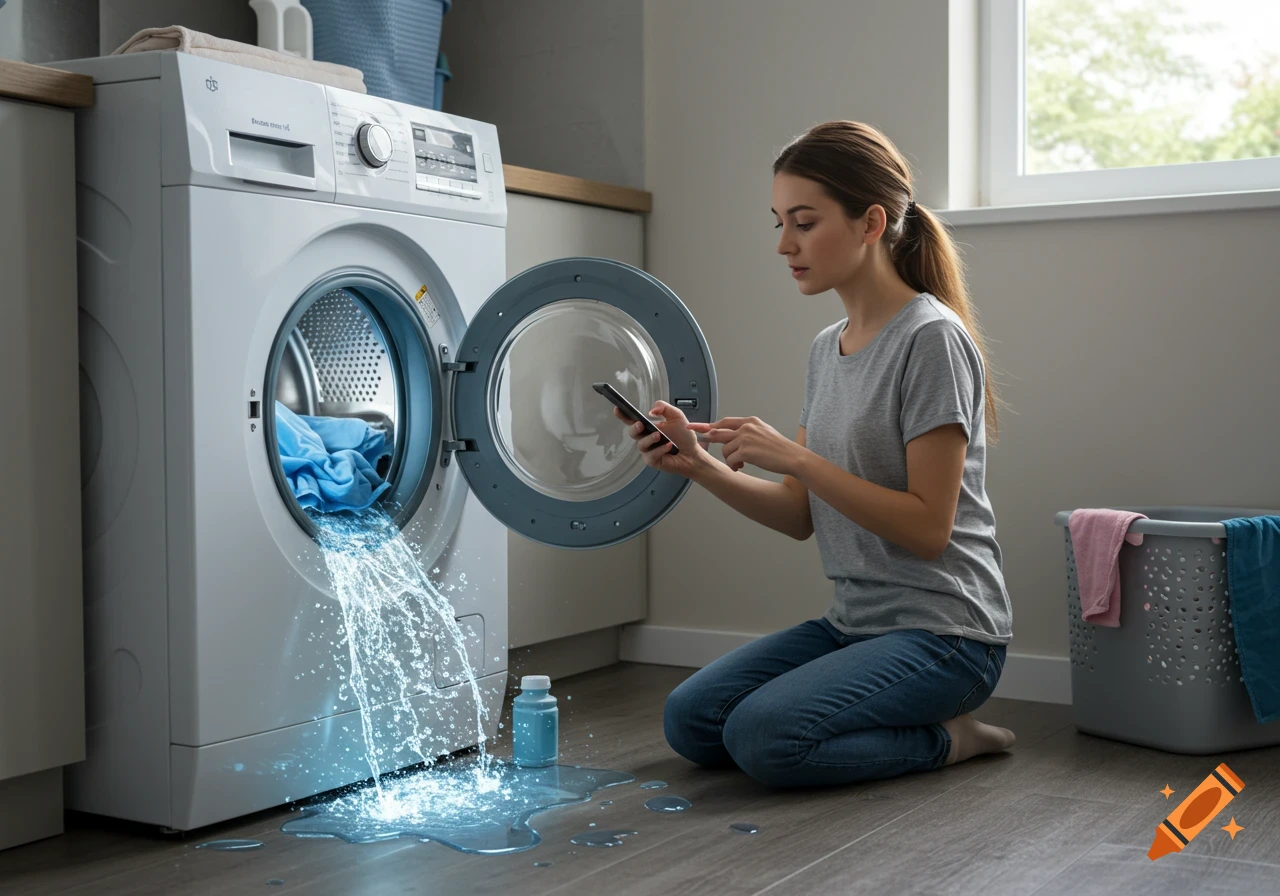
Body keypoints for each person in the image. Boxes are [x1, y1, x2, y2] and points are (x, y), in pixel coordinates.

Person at [614, 121, 1016, 787]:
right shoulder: (826, 347)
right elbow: (801, 515)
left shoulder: (932, 342)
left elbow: (928, 527)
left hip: (948, 636)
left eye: (803, 222)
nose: (784, 244)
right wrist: (698, 464)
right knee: (690, 719)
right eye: (779, 222)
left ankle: (951, 740)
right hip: (854, 625)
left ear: (870, 223)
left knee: (764, 737)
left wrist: (796, 458)